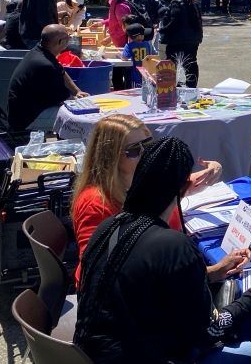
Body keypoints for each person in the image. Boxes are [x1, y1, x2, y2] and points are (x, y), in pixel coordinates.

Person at [74, 137, 251, 364]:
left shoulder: (108, 227)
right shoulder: (172, 245)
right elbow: (211, 331)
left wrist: (212, 272)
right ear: (187, 186)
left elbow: (146, 281)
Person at [71, 115, 223, 283]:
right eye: (134, 150)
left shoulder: (141, 179)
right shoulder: (95, 203)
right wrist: (210, 272)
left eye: (149, 145)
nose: (146, 154)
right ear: (111, 157)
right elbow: (95, 271)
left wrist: (213, 171)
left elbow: (179, 186)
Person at [8, 24, 88, 131]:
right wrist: (85, 105)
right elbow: (64, 99)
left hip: (27, 112)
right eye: (68, 37)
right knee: (80, 121)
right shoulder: (45, 65)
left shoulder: (41, 51)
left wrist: (77, 91)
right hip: (26, 120)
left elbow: (61, 72)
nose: (69, 39)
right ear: (60, 42)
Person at [158, 0, 204, 88]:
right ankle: (192, 88)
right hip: (193, 39)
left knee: (171, 64)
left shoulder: (176, 2)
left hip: (177, 40)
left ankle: (170, 89)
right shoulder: (194, 2)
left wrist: (162, 30)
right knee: (191, 63)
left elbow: (174, 21)